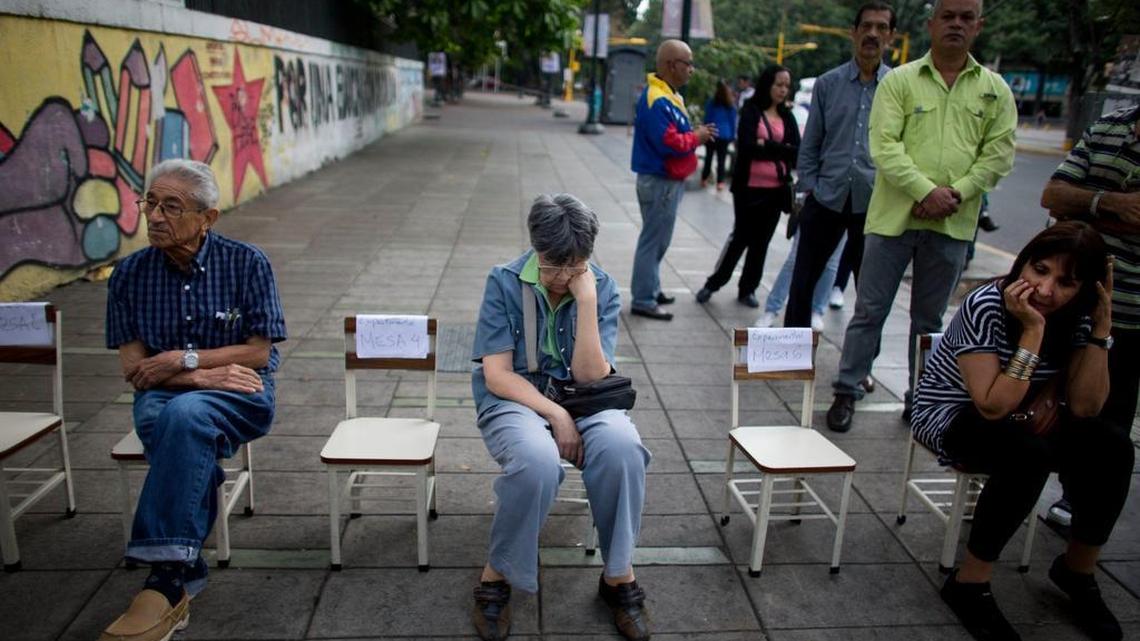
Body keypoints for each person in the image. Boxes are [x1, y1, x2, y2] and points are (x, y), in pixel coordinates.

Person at [912, 221, 1129, 641]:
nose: (1045, 290)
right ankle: (969, 583)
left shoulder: (1080, 314)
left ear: (1086, 288)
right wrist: (1032, 331)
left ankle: (1077, 571)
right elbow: (991, 405)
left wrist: (1101, 329)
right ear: (1023, 262)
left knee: (1113, 447)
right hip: (954, 414)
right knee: (1028, 453)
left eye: (1066, 282)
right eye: (1040, 270)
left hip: (1028, 417)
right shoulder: (988, 304)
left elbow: (1086, 407)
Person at [99, 159, 286, 641]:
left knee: (181, 420)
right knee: (182, 424)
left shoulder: (247, 263)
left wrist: (182, 360)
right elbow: (135, 368)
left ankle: (164, 579)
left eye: (171, 206)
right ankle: (181, 571)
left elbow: (258, 353)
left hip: (240, 389)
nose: (155, 216)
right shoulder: (128, 275)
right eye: (149, 203)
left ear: (208, 218)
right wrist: (200, 374)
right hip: (167, 393)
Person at [825, 0, 1017, 432]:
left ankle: (921, 399)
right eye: (948, 16)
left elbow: (998, 155)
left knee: (929, 322)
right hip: (893, 219)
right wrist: (925, 191)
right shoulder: (901, 82)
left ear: (979, 26)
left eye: (966, 18)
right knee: (869, 311)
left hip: (952, 223)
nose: (956, 24)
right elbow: (884, 146)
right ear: (931, 24)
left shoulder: (995, 90)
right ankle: (847, 389)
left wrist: (955, 194)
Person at [470, 194, 652, 641]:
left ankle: (618, 575)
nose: (563, 278)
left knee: (623, 448)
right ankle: (497, 573)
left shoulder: (600, 286)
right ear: (536, 248)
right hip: (516, 397)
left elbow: (591, 375)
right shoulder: (504, 281)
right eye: (553, 266)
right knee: (536, 460)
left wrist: (586, 302)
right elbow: (497, 374)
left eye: (576, 267)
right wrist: (555, 414)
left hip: (584, 396)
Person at [1040, 102, 1140, 532]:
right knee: (1068, 399)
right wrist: (1111, 203)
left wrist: (1087, 212)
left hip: (1133, 311)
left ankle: (1089, 508)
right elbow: (1053, 195)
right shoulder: (1111, 126)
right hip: (1079, 301)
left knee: (1114, 414)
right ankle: (1071, 492)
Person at [783, 1, 895, 330]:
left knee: (870, 291)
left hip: (874, 204)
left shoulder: (898, 87)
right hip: (826, 197)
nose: (872, 34)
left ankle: (863, 358)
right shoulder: (828, 84)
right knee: (803, 280)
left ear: (890, 36)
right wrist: (809, 190)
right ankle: (792, 349)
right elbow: (811, 143)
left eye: (881, 28)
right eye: (866, 26)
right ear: (853, 32)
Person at [695, 65, 799, 308]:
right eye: (779, 84)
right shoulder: (751, 110)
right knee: (740, 238)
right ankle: (713, 283)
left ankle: (748, 289)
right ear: (768, 84)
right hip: (748, 189)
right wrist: (779, 149)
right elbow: (748, 147)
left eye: (786, 86)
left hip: (776, 190)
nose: (783, 90)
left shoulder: (787, 116)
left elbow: (796, 152)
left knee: (761, 243)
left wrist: (767, 145)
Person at [630, 39, 717, 321]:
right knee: (653, 240)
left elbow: (674, 134)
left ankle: (651, 289)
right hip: (660, 180)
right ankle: (643, 299)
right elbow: (668, 142)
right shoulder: (657, 99)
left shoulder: (667, 94)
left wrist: (694, 134)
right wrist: (696, 137)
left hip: (666, 180)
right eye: (687, 63)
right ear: (670, 65)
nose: (691, 69)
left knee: (659, 240)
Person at [756, 230, 846, 331]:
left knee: (830, 264)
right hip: (811, 221)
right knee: (794, 260)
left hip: (842, 222)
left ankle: (817, 311)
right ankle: (771, 310)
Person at [701, 80, 737, 190]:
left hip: (712, 133)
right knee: (722, 159)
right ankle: (720, 182)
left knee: (708, 157)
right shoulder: (730, 106)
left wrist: (704, 131)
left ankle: (704, 179)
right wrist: (732, 136)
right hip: (725, 135)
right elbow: (733, 122)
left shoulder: (711, 103)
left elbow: (706, 118)